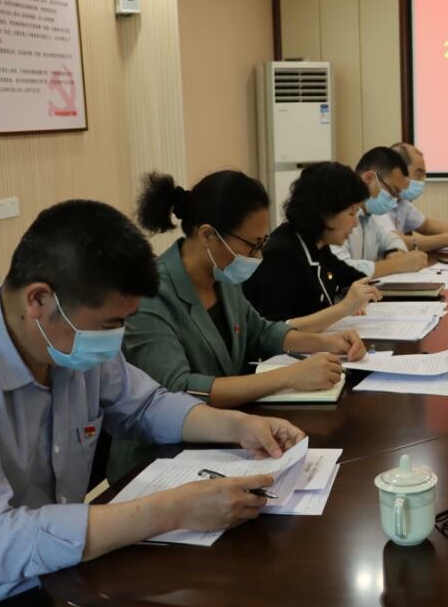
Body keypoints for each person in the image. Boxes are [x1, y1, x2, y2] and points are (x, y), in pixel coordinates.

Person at [0, 200, 304, 607]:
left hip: (63, 572)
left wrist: (237, 426)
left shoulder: (68, 340)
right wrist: (175, 510)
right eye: (110, 325)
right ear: (38, 300)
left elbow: (144, 404)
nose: (117, 339)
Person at [110, 171, 366, 480]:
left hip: (226, 439)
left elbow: (260, 331)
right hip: (160, 460)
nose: (258, 256)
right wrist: (289, 377)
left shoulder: (221, 273)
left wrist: (326, 342)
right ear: (208, 235)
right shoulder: (151, 294)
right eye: (252, 245)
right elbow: (179, 389)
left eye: (263, 243)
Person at [246, 162, 388, 322]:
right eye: (351, 213)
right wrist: (344, 308)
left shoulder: (318, 245)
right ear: (325, 211)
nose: (355, 223)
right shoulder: (281, 254)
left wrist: (361, 296)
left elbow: (354, 278)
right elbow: (275, 329)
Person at [331, 146, 430, 277]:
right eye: (392, 192)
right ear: (369, 178)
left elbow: (392, 239)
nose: (394, 200)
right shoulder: (336, 211)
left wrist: (394, 252)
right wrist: (398, 264)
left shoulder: (370, 216)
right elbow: (340, 269)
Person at [389, 142, 448, 252]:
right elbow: (395, 242)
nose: (421, 181)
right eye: (418, 173)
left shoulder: (402, 203)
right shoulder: (379, 204)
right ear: (398, 171)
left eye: (424, 175)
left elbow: (426, 225)